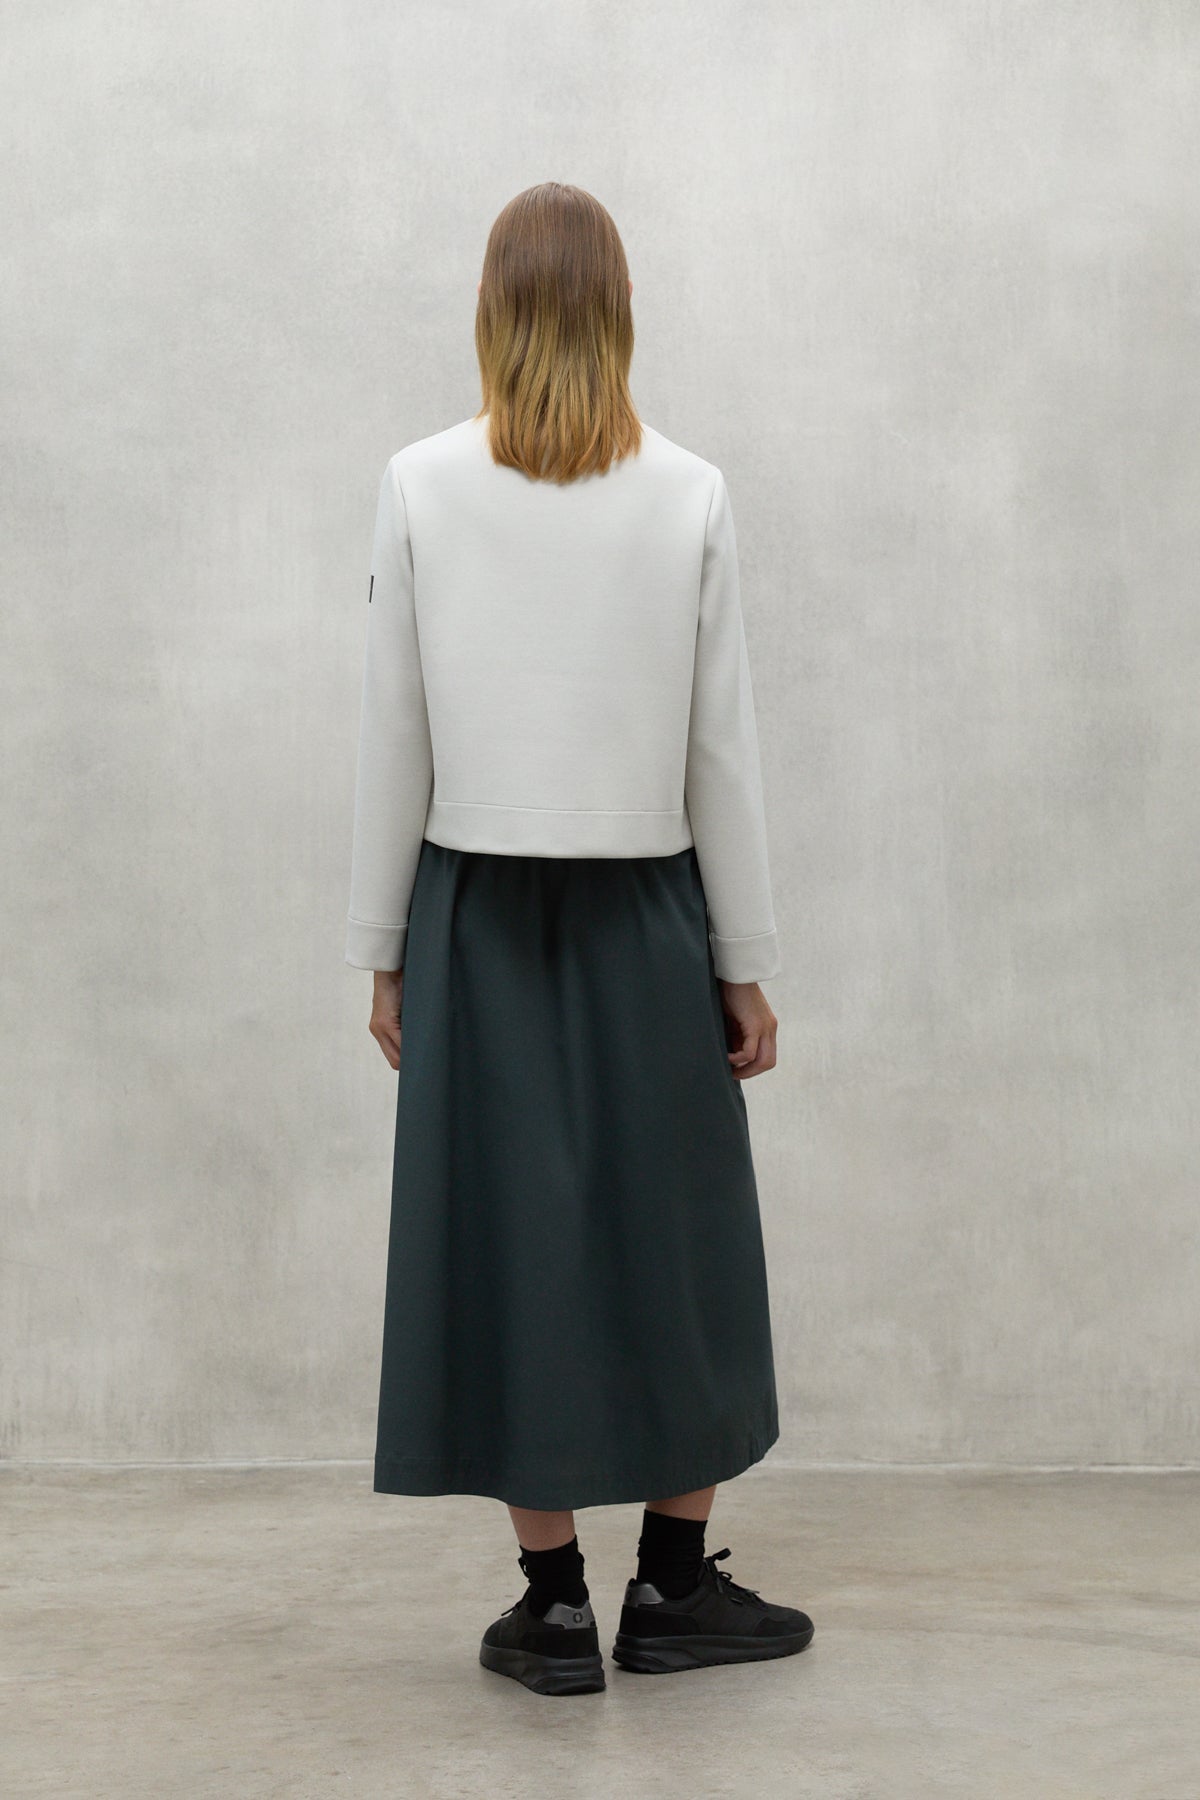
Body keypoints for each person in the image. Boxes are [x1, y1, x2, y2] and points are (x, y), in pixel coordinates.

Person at [344, 181, 813, 1696]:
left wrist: (384, 944)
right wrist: (742, 959)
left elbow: (394, 732)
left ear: (490, 309)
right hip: (648, 910)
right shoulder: (689, 490)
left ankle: (551, 1606)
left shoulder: (421, 481)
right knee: (679, 1243)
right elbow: (721, 748)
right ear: (619, 311)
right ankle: (671, 1585)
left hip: (474, 911)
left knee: (506, 1242)